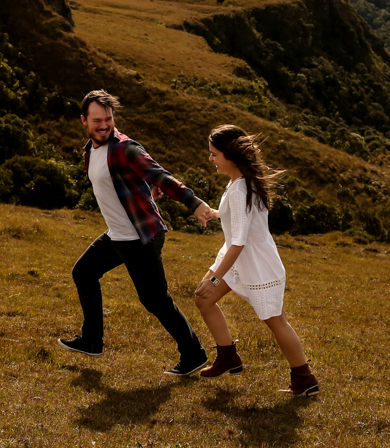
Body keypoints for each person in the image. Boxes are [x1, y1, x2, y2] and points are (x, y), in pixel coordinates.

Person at [58, 90, 215, 375]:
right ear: (84, 121)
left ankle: (193, 355)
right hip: (117, 234)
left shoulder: (125, 147)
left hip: (141, 237)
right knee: (83, 272)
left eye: (108, 119)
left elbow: (159, 174)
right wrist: (146, 190)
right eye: (97, 120)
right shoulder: (89, 151)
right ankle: (92, 341)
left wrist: (192, 203)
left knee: (155, 300)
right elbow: (129, 183)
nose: (103, 125)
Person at [193, 124, 320, 396]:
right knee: (203, 299)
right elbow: (242, 222)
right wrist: (216, 214)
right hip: (238, 261)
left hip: (257, 267)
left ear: (231, 157)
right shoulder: (239, 183)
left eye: (214, 154)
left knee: (277, 323)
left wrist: (215, 277)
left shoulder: (240, 190)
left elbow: (239, 242)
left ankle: (304, 378)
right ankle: (228, 357)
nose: (210, 159)